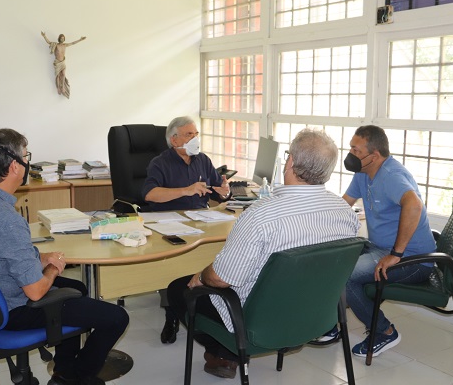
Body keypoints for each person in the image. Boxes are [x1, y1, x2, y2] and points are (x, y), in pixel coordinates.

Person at [166, 128, 360, 379]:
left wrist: (201, 277)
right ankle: (226, 354)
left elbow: (221, 279)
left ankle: (226, 351)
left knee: (178, 289)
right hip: (316, 316)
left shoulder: (261, 215)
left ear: (289, 162)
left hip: (258, 321)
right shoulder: (344, 212)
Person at [0, 128, 129, 385]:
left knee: (77, 287)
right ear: (15, 166)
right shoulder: (6, 219)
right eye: (25, 155)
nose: (27, 160)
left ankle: (64, 368)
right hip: (12, 308)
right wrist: (53, 267)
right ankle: (74, 378)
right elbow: (35, 292)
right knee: (116, 318)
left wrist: (40, 257)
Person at [341, 125, 436, 358]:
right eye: (350, 147)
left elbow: (414, 205)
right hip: (380, 248)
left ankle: (384, 331)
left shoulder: (392, 176)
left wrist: (396, 254)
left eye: (355, 150)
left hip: (413, 260)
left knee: (344, 277)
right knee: (334, 259)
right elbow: (343, 206)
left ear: (373, 156)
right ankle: (333, 325)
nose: (350, 154)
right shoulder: (363, 173)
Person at [142, 116, 231, 344]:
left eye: (196, 134)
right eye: (189, 135)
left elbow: (216, 192)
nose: (195, 139)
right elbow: (150, 194)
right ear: (174, 140)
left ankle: (208, 307)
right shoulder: (160, 163)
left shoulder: (203, 160)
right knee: (174, 267)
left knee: (216, 250)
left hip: (200, 221)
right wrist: (185, 190)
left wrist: (224, 191)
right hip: (168, 223)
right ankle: (171, 314)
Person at [41, 31, 86, 99]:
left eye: (63, 38)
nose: (62, 39)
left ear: (64, 39)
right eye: (61, 38)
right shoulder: (56, 44)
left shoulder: (65, 45)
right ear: (59, 38)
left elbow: (73, 43)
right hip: (57, 62)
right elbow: (49, 42)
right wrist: (44, 36)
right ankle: (58, 88)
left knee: (64, 74)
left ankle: (63, 87)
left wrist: (80, 39)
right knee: (58, 75)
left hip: (63, 62)